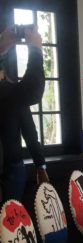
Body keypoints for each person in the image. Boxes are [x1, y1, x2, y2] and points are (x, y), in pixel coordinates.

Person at [0, 25, 45, 203]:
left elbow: (29, 130)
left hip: (13, 169)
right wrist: (35, 50)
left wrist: (40, 165)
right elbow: (33, 91)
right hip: (11, 169)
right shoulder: (9, 92)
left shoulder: (8, 91)